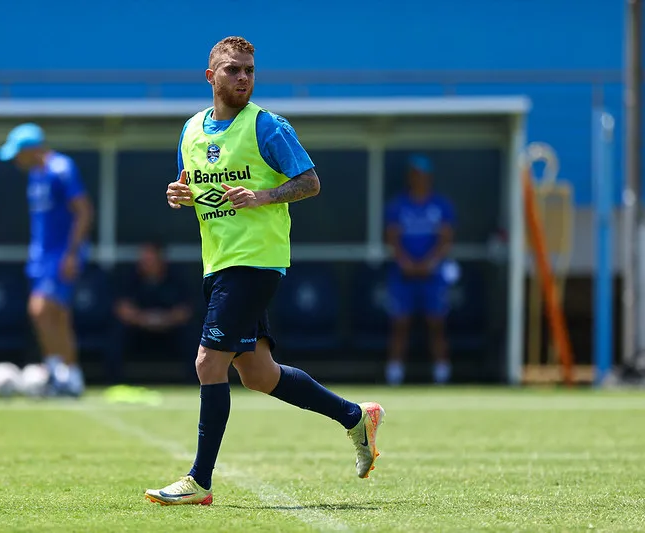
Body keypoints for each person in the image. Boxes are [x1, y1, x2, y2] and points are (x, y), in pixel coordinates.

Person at [145, 36, 385, 506]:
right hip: (218, 262)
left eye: (249, 71)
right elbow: (191, 186)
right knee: (257, 374)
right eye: (233, 70)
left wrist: (264, 196)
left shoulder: (267, 126)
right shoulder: (192, 130)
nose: (243, 78)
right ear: (210, 76)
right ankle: (356, 417)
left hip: (255, 261)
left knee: (207, 363)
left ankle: (199, 481)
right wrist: (179, 194)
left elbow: (310, 182)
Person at [0, 123, 94, 397]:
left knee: (39, 310)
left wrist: (72, 254)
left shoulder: (61, 169)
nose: (16, 160)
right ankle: (69, 377)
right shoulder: (35, 176)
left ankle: (56, 372)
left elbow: (84, 211)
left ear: (31, 149)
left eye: (18, 153)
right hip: (40, 256)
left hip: (60, 255)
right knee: (59, 316)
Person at [384, 154, 456, 386]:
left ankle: (442, 373)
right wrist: (407, 263)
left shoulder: (441, 205)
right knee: (400, 323)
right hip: (403, 275)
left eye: (422, 175)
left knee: (436, 323)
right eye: (414, 174)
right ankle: (394, 374)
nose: (418, 179)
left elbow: (445, 239)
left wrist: (428, 264)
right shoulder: (398, 205)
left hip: (433, 276)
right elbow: (392, 238)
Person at [112, 242, 195, 382]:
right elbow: (122, 309)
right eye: (144, 259)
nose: (147, 263)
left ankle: (195, 381)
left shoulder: (177, 278)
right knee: (117, 333)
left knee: (192, 334)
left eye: (151, 259)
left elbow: (186, 310)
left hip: (170, 329)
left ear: (161, 260)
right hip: (138, 329)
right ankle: (113, 381)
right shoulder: (129, 277)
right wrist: (144, 319)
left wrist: (164, 320)